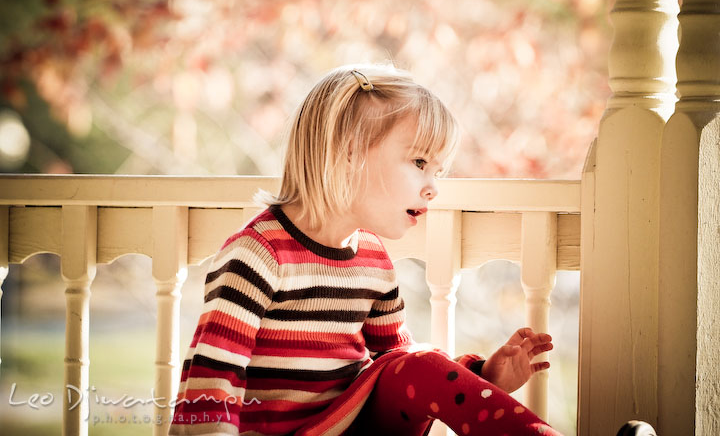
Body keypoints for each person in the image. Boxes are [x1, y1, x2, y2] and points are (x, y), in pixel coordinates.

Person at [169, 64, 561, 436]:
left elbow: (401, 370)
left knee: (415, 363)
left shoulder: (371, 258)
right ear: (348, 152)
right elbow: (211, 379)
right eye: (419, 161)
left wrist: (481, 379)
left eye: (437, 171)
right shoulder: (259, 254)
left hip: (351, 424)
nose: (433, 187)